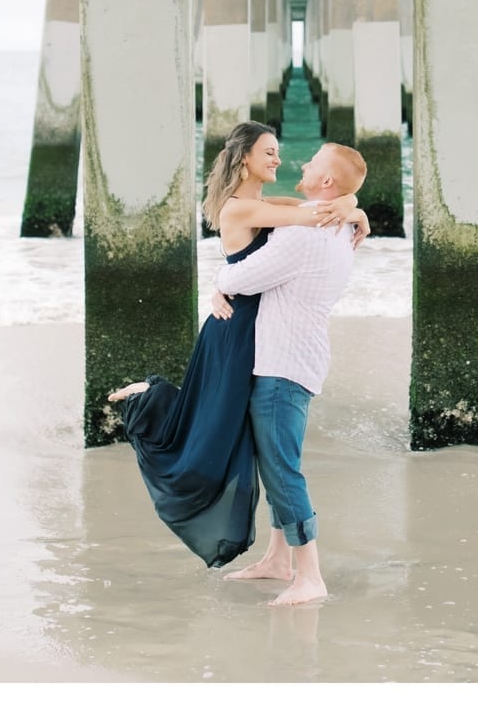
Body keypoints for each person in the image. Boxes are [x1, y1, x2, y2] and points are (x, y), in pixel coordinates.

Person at [106, 121, 368, 570]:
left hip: (256, 327)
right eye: (268, 152)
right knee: (211, 426)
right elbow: (311, 214)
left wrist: (349, 203)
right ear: (244, 158)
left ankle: (276, 558)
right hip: (236, 327)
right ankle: (147, 396)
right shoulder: (238, 209)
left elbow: (312, 207)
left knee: (234, 432)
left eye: (279, 152)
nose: (279, 160)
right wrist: (349, 205)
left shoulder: (262, 204)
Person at [209, 141, 368, 606]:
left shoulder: (305, 234)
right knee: (277, 460)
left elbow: (241, 278)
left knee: (281, 468)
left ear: (326, 183)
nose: (302, 163)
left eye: (313, 162)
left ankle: (310, 576)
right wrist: (354, 207)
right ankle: (278, 560)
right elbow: (337, 205)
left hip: (283, 363)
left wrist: (218, 284)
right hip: (299, 357)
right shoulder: (335, 225)